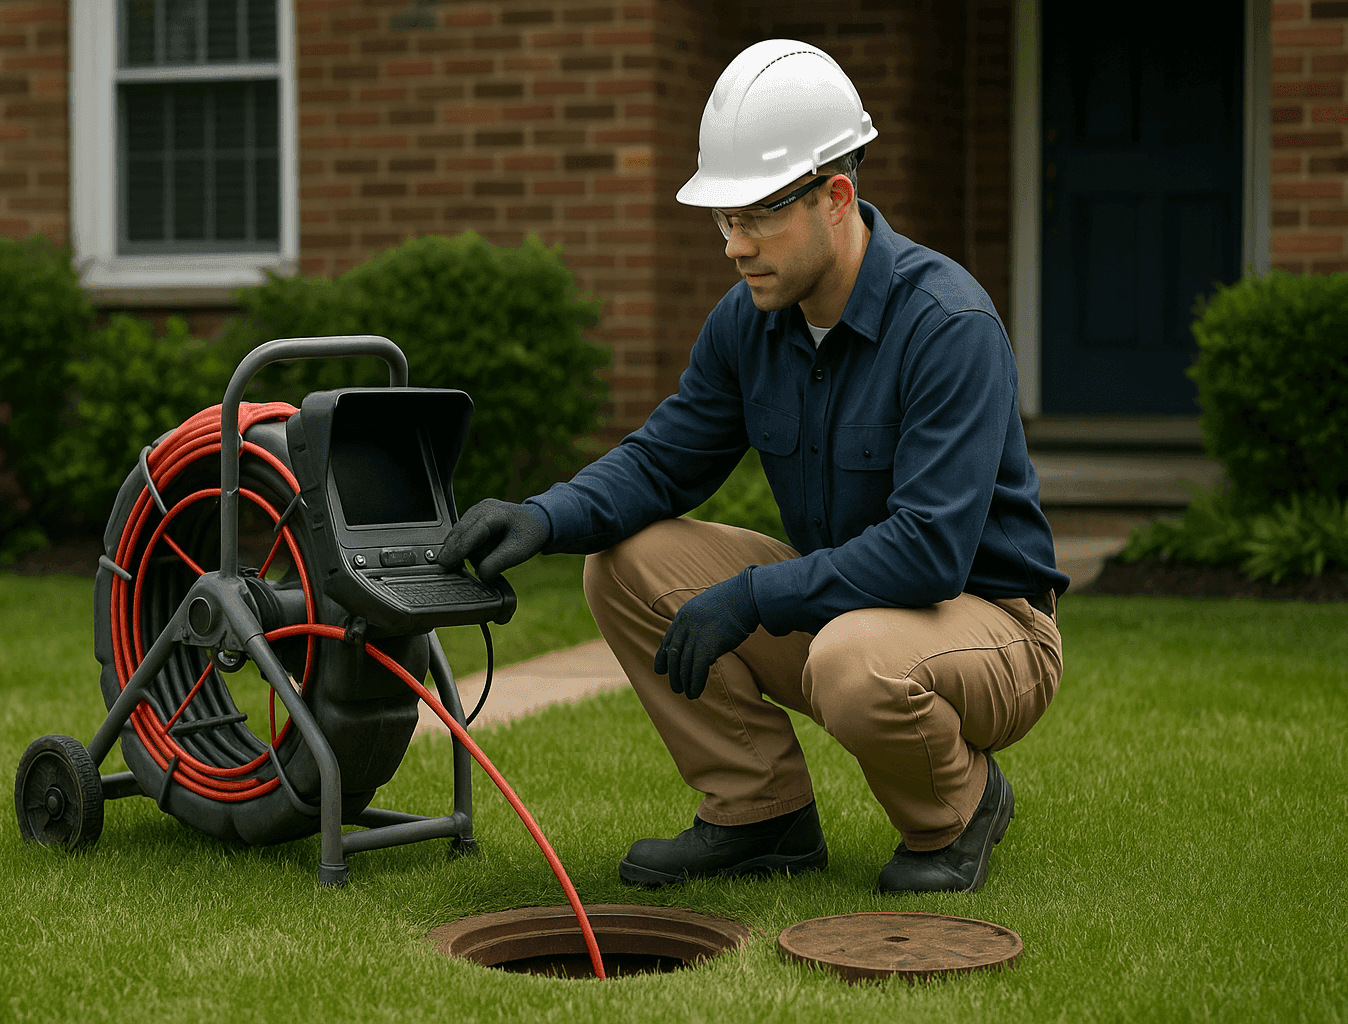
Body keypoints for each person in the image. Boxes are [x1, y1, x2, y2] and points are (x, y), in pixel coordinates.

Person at [437, 39, 1067, 894]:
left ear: (836, 197)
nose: (734, 245)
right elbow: (664, 461)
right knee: (625, 564)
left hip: (992, 628)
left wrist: (751, 597)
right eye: (723, 220)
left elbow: (928, 553)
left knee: (852, 658)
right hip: (857, 607)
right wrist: (545, 515)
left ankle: (958, 808)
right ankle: (760, 812)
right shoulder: (751, 321)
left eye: (757, 216)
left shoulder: (948, 325)